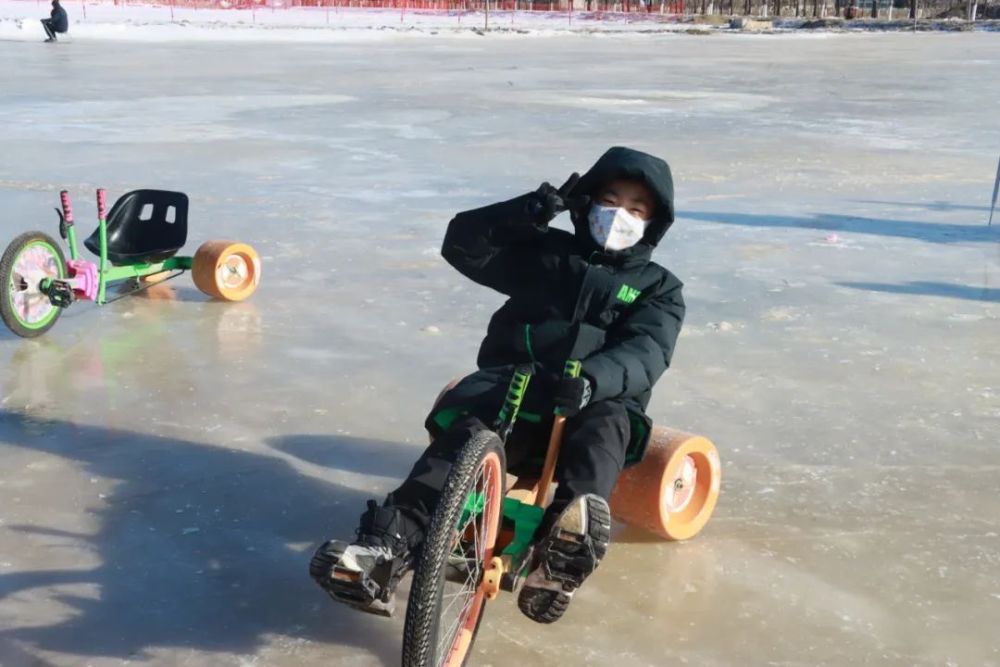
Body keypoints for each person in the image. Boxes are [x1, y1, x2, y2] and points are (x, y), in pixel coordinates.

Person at [311, 146, 685, 622]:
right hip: (515, 393)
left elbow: (647, 351)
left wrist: (593, 381)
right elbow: (465, 246)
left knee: (606, 430)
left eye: (635, 209)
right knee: (459, 442)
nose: (619, 216)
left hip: (589, 407)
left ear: (652, 223)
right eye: (610, 201)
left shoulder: (659, 288)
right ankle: (383, 551)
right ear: (587, 202)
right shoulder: (547, 252)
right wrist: (525, 213)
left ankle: (562, 553)